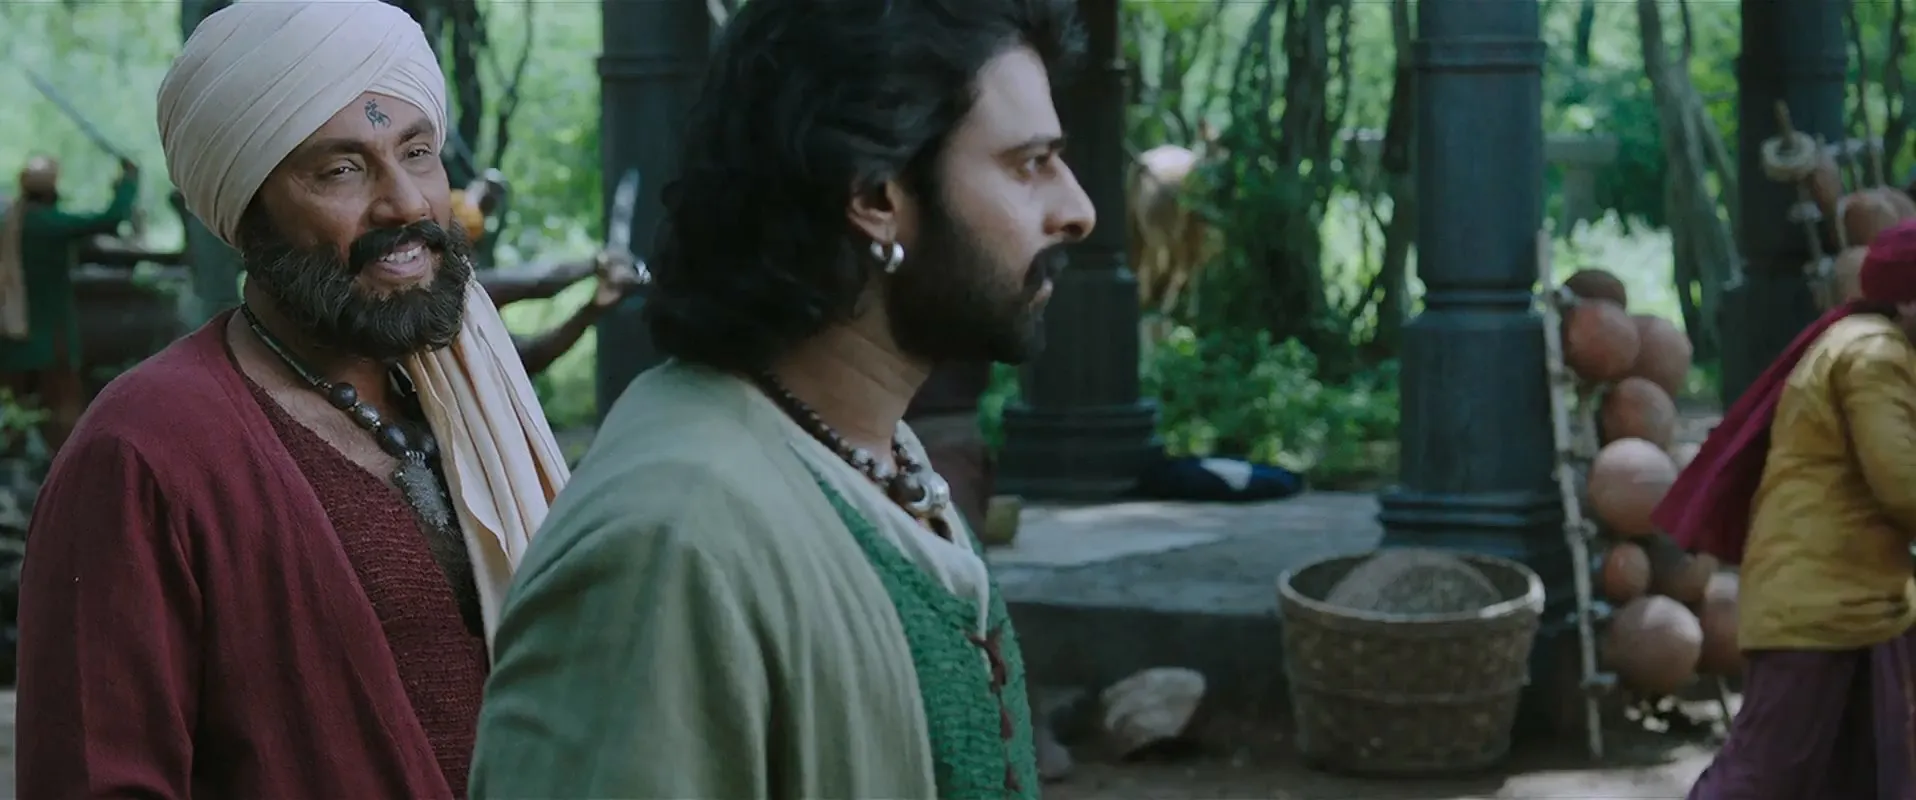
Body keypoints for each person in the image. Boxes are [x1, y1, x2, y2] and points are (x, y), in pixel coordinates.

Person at [468, 0, 1093, 796]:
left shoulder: (868, 452)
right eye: (1029, 163)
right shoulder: (669, 543)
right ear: (876, 196)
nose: (1078, 211)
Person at [14, 2, 570, 798]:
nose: (407, 204)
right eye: (341, 170)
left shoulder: (476, 403)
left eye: (418, 153)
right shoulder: (145, 451)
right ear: (248, 210)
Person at [1659, 219, 1916, 799]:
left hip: (1865, 606)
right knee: (1763, 776)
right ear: (1906, 300)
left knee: (1870, 777)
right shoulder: (1873, 355)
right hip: (1819, 604)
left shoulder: (1881, 347)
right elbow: (1903, 484)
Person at [0, 154, 140, 452]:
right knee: (63, 421)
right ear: (52, 190)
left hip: (10, 346)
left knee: (13, 423)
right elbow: (111, 218)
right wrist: (128, 183)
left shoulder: (10, 224)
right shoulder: (49, 224)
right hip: (51, 346)